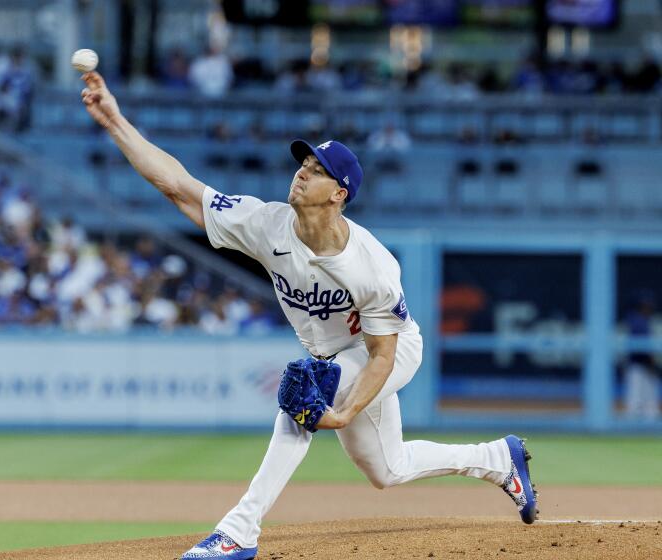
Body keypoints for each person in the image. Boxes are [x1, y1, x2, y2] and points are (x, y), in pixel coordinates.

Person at [79, 71, 539, 560]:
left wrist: (341, 413)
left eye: (317, 169)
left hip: (390, 348)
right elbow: (178, 186)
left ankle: (239, 530)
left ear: (339, 193)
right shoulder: (266, 224)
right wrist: (114, 120)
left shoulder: (373, 266)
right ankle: (497, 459)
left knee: (306, 390)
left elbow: (382, 357)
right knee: (387, 470)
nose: (302, 170)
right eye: (303, 162)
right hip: (336, 353)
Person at [624, 291, 660, 420]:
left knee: (647, 400)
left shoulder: (640, 320)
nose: (649, 307)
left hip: (642, 366)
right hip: (638, 365)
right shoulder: (637, 321)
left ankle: (644, 426)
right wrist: (652, 364)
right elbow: (644, 349)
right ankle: (633, 428)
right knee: (637, 401)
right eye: (646, 305)